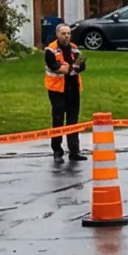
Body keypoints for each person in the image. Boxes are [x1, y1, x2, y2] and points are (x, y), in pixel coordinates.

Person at [43, 24, 84, 161]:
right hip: (57, 90)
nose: (66, 36)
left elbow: (82, 63)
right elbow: (54, 66)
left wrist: (72, 67)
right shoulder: (51, 49)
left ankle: (74, 151)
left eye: (68, 33)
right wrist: (70, 68)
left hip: (73, 88)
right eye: (63, 34)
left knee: (73, 120)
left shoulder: (74, 48)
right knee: (58, 120)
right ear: (57, 35)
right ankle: (57, 151)